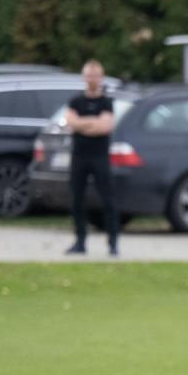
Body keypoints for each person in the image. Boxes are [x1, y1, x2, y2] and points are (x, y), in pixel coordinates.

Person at [63, 59, 118, 257]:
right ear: (83, 77)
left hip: (99, 157)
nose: (91, 79)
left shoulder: (106, 102)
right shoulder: (75, 101)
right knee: (77, 199)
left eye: (95, 75)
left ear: (100, 78)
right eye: (88, 75)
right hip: (79, 157)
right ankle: (80, 242)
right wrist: (92, 122)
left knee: (108, 200)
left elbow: (105, 126)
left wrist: (81, 124)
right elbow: (70, 123)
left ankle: (112, 243)